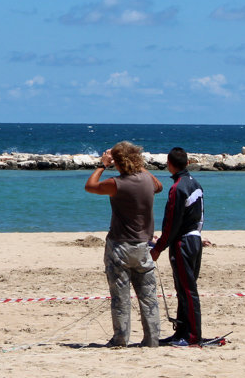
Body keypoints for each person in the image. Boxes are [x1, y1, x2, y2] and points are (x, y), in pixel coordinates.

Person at [84, 141, 163, 348]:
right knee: (148, 297)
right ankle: (152, 339)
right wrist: (139, 166)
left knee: (121, 297)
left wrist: (102, 165)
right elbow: (159, 186)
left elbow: (90, 186)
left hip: (120, 246)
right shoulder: (148, 180)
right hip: (142, 246)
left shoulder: (117, 183)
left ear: (118, 162)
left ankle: (120, 339)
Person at [151, 147, 205, 347]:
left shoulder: (177, 188)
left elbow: (172, 222)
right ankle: (181, 332)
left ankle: (192, 337)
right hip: (195, 240)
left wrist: (159, 247)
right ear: (188, 163)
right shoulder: (195, 183)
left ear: (169, 165)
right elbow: (200, 214)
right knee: (183, 289)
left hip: (183, 242)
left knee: (187, 290)